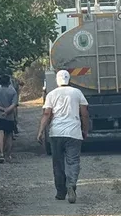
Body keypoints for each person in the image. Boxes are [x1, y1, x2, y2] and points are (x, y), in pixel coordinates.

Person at [37, 69, 89, 203]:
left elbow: (47, 114)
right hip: (73, 133)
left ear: (57, 81)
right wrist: (85, 129)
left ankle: (61, 192)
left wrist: (41, 131)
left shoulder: (52, 94)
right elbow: (84, 113)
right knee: (73, 161)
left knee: (58, 163)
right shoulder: (77, 93)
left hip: (56, 133)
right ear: (69, 80)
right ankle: (71, 185)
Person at [0, 71, 19, 164]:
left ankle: (1, 153)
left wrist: (2, 109)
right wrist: (7, 110)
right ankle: (8, 155)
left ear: (0, 82)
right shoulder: (12, 92)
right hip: (9, 117)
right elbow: (14, 104)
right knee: (9, 135)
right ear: (9, 82)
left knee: (0, 134)